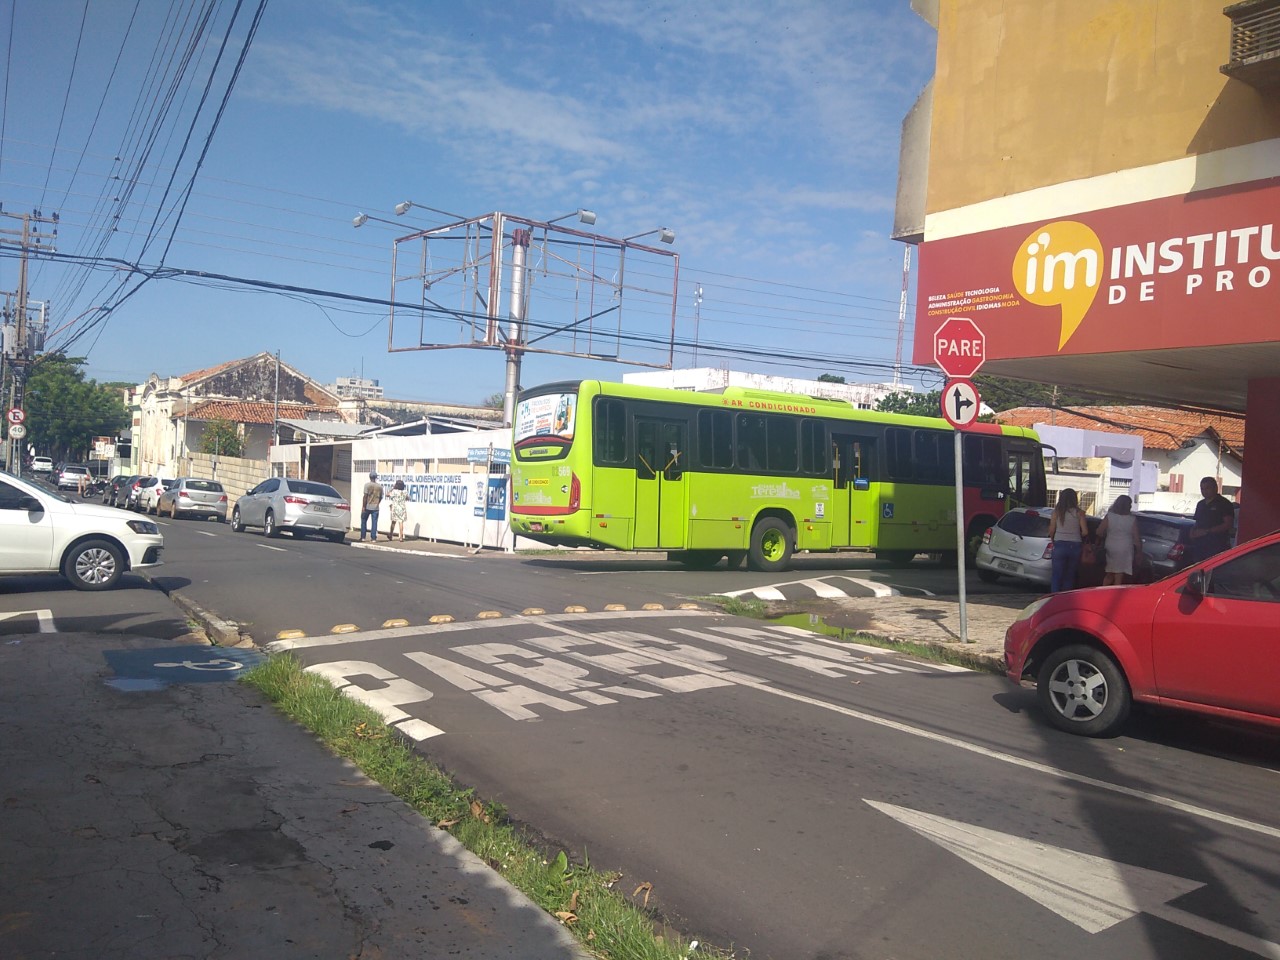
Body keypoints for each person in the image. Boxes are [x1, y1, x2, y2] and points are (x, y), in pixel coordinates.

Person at [1048, 487, 1089, 592]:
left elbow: (1051, 530)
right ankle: (1066, 598)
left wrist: (1053, 540)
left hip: (1059, 544)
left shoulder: (1057, 512)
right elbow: (1085, 532)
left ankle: (1054, 598)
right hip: (1075, 545)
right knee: (1070, 575)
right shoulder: (1080, 513)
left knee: (1057, 575)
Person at [1097, 494, 1142, 586]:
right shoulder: (1132, 519)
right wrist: (1139, 551)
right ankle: (1115, 591)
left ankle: (1103, 591)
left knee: (1110, 571)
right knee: (1119, 573)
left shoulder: (1109, 516)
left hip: (1111, 546)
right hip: (1126, 547)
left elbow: (1099, 531)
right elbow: (1136, 538)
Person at [1189, 476, 1234, 563]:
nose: (1204, 491)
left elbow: (1228, 524)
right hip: (1199, 545)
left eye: (1207, 488)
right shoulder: (1200, 504)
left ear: (1215, 488)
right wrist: (1192, 532)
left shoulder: (1224, 503)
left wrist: (1207, 531)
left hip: (1216, 545)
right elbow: (1197, 522)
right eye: (1202, 489)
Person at [360, 471, 384, 541]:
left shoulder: (367, 485)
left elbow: (365, 496)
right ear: (376, 478)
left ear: (370, 477)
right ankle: (373, 538)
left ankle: (363, 537)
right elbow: (380, 497)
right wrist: (377, 503)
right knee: (374, 523)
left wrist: (363, 506)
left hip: (367, 505)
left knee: (363, 521)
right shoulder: (380, 487)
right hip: (375, 507)